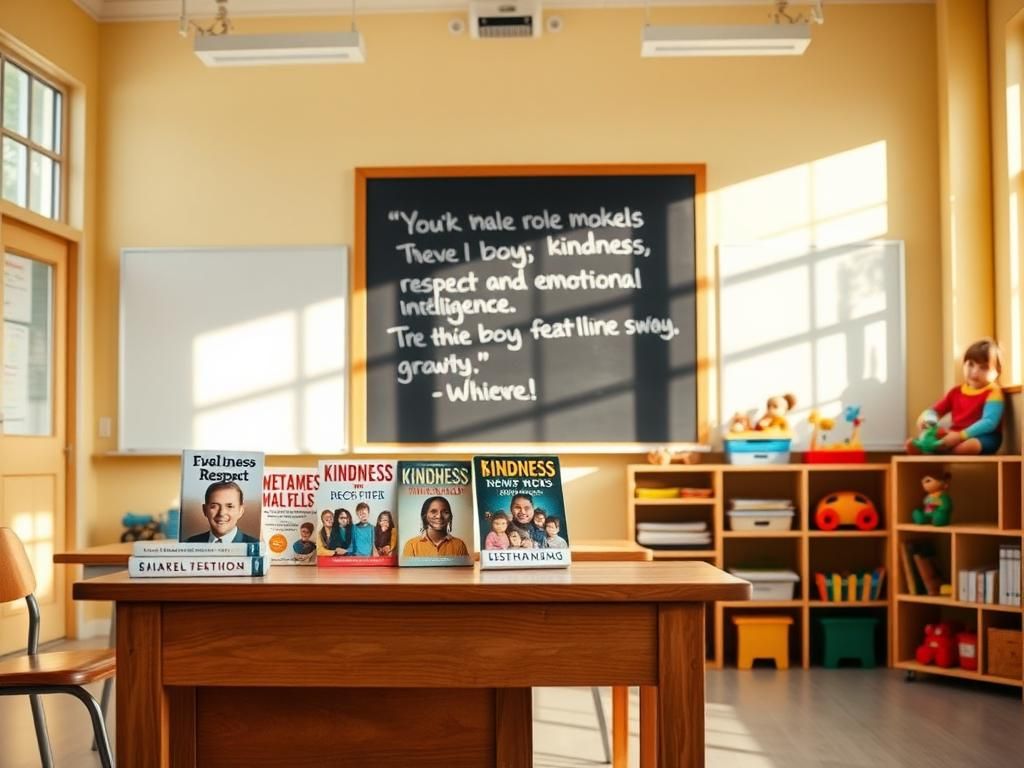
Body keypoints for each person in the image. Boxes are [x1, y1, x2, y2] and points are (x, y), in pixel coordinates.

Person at [906, 338, 1005, 455]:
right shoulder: (956, 391)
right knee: (933, 433)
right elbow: (934, 411)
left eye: (984, 367)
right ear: (964, 364)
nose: (974, 372)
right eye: (971, 364)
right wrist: (929, 420)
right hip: (954, 435)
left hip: (984, 437)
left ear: (997, 372)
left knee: (969, 446)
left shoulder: (993, 392)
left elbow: (989, 422)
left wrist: (961, 436)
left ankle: (935, 449)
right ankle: (932, 446)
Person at [185, 481, 258, 543]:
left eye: (229, 506)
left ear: (241, 511)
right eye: (214, 506)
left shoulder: (256, 545)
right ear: (205, 510)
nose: (221, 513)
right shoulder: (188, 543)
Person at [401, 495, 469, 558]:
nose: (439, 516)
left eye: (445, 512)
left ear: (450, 517)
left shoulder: (459, 545)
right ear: (425, 516)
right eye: (433, 512)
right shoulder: (411, 545)